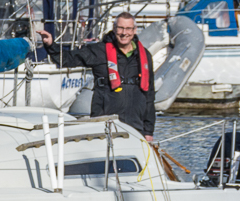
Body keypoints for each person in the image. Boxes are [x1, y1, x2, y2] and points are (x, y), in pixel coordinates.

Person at [39, 11, 156, 139]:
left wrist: (148, 131)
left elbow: (149, 95)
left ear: (134, 30)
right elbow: (67, 59)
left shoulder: (144, 56)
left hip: (136, 125)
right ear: (114, 28)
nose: (124, 33)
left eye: (128, 28)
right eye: (121, 28)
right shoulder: (99, 51)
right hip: (105, 123)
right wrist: (51, 45)